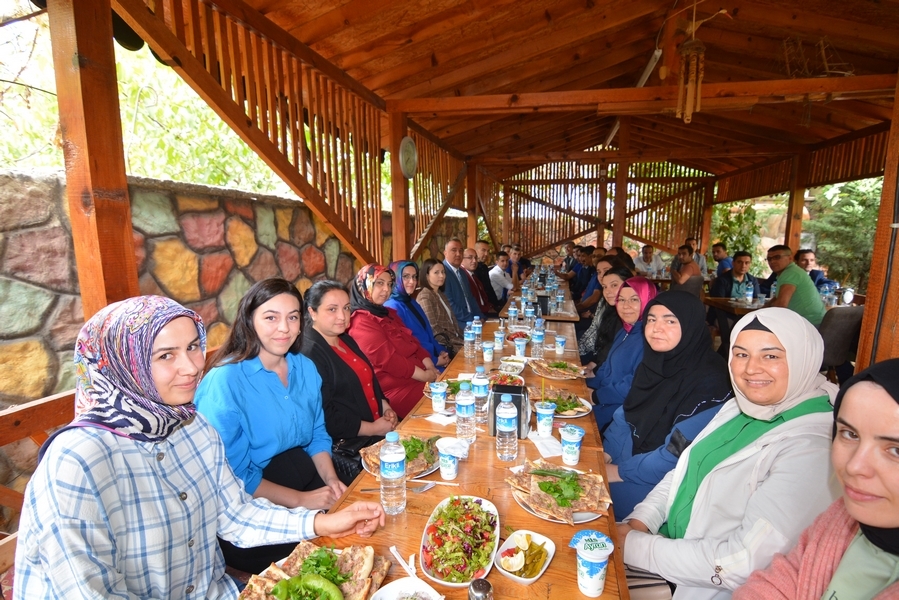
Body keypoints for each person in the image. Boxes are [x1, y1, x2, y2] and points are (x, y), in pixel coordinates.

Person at [14, 296, 384, 598]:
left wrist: (324, 521)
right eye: (165, 355)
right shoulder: (77, 461)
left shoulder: (193, 428)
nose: (192, 366)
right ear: (122, 365)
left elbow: (236, 515)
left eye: (193, 347)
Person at [617, 308, 839, 600]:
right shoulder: (741, 406)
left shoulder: (814, 449)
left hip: (700, 587)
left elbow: (744, 562)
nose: (751, 369)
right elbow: (685, 469)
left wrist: (632, 545)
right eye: (741, 354)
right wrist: (640, 521)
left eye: (770, 356)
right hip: (659, 550)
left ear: (803, 359)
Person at [196, 278, 347, 573]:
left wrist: (330, 481)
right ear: (249, 320)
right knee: (322, 565)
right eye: (271, 317)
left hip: (308, 473)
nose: (285, 328)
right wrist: (302, 501)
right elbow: (234, 475)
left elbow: (317, 435)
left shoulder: (304, 366)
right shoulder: (225, 382)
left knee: (357, 533)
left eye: (292, 317)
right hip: (253, 507)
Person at [734, 358, 899, 599]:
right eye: (850, 434)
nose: (854, 467)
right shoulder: (842, 517)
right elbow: (779, 582)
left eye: (895, 449)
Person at [602, 291, 733, 516]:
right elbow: (626, 416)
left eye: (670, 321)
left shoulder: (710, 382)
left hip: (665, 484)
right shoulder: (653, 363)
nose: (656, 328)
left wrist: (614, 471)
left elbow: (673, 457)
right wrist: (604, 455)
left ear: (690, 325)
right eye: (651, 319)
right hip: (631, 460)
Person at [302, 280, 398, 443]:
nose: (342, 316)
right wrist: (373, 428)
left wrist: (385, 407)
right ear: (313, 312)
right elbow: (325, 416)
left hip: (379, 427)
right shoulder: (309, 354)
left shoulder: (345, 339)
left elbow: (369, 380)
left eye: (346, 308)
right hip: (352, 442)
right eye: (332, 309)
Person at [348, 264, 440, 419]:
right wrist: (426, 376)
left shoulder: (388, 313)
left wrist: (431, 367)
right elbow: (390, 360)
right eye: (379, 283)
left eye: (389, 284)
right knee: (444, 404)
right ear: (364, 285)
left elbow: (414, 343)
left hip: (416, 378)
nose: (386, 289)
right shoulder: (360, 321)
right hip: (394, 389)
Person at [587, 276, 658, 431]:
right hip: (602, 401)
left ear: (649, 300)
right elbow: (606, 368)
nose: (625, 306)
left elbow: (632, 387)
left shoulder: (650, 340)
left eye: (634, 299)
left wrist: (595, 396)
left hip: (617, 413)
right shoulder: (626, 331)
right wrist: (585, 385)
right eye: (621, 300)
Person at [384, 260, 450, 369]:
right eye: (406, 276)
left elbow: (428, 334)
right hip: (422, 366)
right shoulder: (392, 307)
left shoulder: (411, 301)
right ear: (395, 279)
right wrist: (435, 360)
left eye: (414, 277)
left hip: (434, 358)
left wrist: (442, 352)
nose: (412, 281)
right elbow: (405, 346)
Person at [578, 265, 630, 368]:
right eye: (605, 287)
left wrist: (594, 368)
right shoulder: (610, 309)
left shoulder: (628, 315)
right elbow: (605, 344)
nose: (608, 291)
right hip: (598, 360)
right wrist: (593, 364)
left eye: (614, 285)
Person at [766, 244, 826, 326]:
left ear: (790, 258)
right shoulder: (790, 271)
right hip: (812, 322)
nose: (772, 262)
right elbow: (777, 298)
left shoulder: (791, 273)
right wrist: (761, 310)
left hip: (810, 324)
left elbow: (781, 305)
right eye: (769, 259)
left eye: (777, 257)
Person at [417, 258, 465, 357]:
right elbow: (434, 330)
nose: (442, 276)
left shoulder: (440, 294)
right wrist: (462, 343)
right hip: (444, 347)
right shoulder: (425, 297)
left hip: (456, 341)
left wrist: (467, 338)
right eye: (436, 272)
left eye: (443, 272)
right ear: (426, 276)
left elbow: (453, 324)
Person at [442, 238, 482, 325]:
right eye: (454, 250)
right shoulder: (442, 272)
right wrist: (472, 320)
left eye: (461, 251)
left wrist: (480, 317)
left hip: (471, 320)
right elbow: (450, 305)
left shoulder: (462, 272)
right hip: (457, 324)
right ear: (445, 253)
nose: (458, 254)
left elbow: (471, 298)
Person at [462, 247, 496, 316]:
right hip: (478, 315)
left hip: (486, 310)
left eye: (475, 258)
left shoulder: (473, 275)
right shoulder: (463, 276)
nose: (474, 261)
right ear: (461, 259)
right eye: (470, 258)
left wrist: (489, 307)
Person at [474, 240, 503, 311]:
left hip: (490, 304)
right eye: (483, 250)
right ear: (475, 251)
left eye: (488, 251)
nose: (486, 254)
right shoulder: (472, 269)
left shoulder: (484, 267)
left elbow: (489, 287)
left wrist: (496, 305)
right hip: (480, 308)